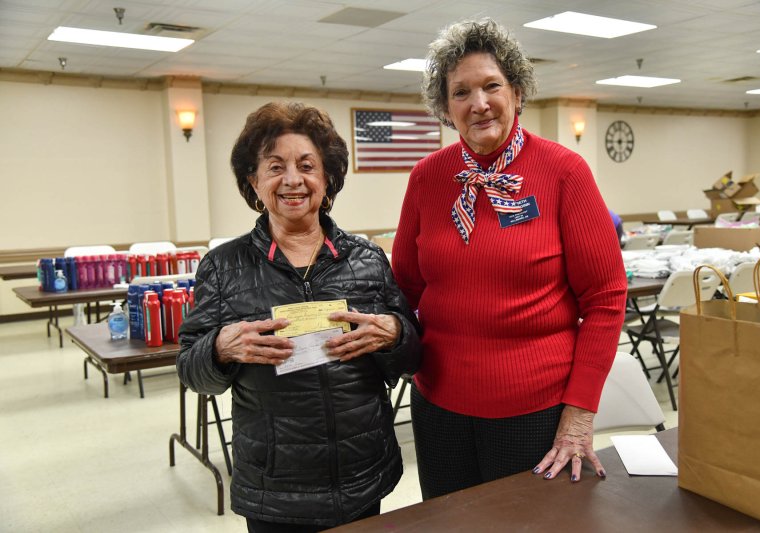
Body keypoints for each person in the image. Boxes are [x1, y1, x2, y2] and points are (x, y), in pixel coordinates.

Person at [391, 18, 627, 499]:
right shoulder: (427, 178)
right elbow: (404, 289)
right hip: (438, 409)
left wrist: (580, 413)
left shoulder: (564, 172)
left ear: (517, 93)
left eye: (491, 85)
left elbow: (606, 298)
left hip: (536, 414)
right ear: (446, 109)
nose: (478, 103)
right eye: (461, 92)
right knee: (448, 525)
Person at [177, 101, 421, 532]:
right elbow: (191, 371)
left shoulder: (366, 259)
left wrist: (396, 333)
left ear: (327, 179)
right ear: (254, 182)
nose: (293, 179)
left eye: (307, 166)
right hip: (274, 487)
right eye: (275, 167)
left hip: (362, 474)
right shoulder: (222, 266)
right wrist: (218, 349)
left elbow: (411, 360)